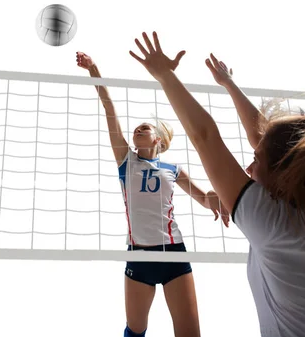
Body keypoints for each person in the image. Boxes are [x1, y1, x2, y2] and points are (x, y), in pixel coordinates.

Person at [129, 31, 305, 337]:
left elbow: (205, 137)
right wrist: (228, 84)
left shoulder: (275, 225)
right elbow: (272, 143)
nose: (249, 169)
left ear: (286, 176)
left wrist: (165, 76)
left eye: (256, 160)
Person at [76, 51, 229, 337]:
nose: (138, 129)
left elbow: (203, 198)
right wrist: (94, 68)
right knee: (135, 331)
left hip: (173, 253)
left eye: (145, 128)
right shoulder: (126, 159)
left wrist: (218, 197)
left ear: (158, 139)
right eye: (136, 128)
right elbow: (109, 108)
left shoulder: (172, 167)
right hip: (139, 255)